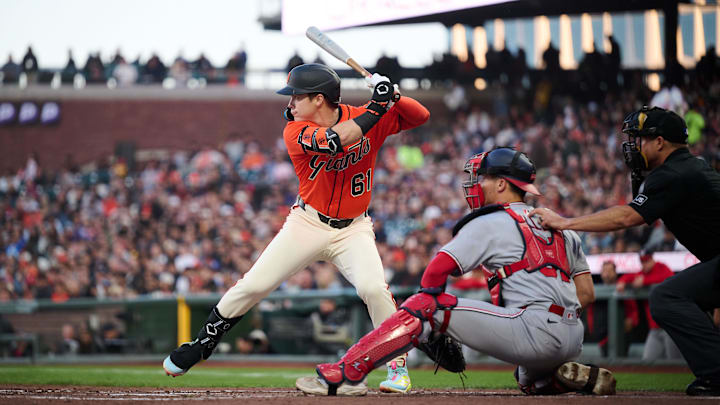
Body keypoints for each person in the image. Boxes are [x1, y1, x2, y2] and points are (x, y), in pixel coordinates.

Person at [163, 63, 430, 394]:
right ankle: (202, 344)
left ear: (319, 99)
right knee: (254, 285)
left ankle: (397, 368)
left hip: (354, 228)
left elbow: (420, 117)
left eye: (296, 97)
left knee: (375, 289)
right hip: (308, 222)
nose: (290, 104)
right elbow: (336, 140)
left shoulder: (367, 115)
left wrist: (395, 93)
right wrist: (378, 104)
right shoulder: (296, 130)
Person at [295, 147, 616, 396]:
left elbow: (434, 274)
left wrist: (434, 330)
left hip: (533, 331)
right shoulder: (562, 227)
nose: (477, 185)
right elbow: (586, 295)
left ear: (503, 184)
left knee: (424, 305)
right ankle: (554, 378)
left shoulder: (492, 220)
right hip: (572, 337)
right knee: (527, 379)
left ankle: (344, 374)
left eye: (484, 178)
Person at [531, 106, 720, 396]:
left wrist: (565, 222)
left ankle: (715, 374)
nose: (635, 146)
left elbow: (626, 217)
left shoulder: (671, 173)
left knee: (666, 296)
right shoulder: (693, 166)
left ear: (660, 142)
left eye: (641, 138)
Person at [617, 251, 680, 361]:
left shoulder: (661, 267)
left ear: (652, 259)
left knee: (675, 362)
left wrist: (645, 281)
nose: (644, 264)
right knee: (647, 361)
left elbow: (668, 278)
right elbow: (629, 276)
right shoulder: (642, 273)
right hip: (654, 328)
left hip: (670, 326)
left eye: (646, 261)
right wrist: (622, 281)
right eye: (642, 262)